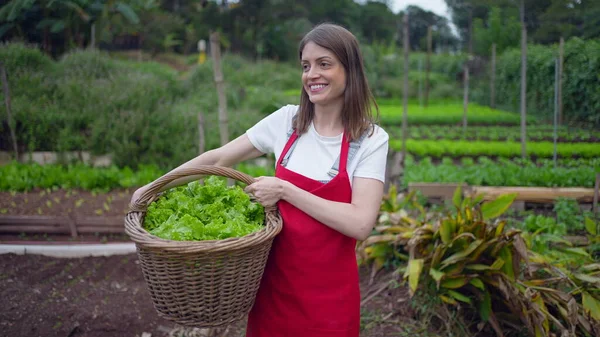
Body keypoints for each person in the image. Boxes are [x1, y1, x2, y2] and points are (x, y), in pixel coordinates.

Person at [132, 23, 389, 337]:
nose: (312, 74)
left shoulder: (370, 139)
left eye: (324, 64)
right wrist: (154, 186)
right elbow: (217, 159)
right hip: (274, 294)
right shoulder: (287, 123)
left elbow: (360, 223)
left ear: (350, 71)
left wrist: (284, 189)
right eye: (306, 66)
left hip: (330, 301)